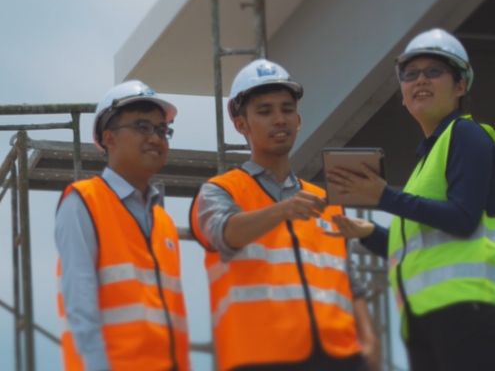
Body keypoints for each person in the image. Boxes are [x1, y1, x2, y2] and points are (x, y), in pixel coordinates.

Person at [189, 59, 379, 371]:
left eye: (287, 110)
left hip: (341, 357)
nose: (279, 119)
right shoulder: (220, 192)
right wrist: (283, 210)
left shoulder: (326, 201)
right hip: (261, 358)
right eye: (265, 111)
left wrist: (370, 341)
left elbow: (348, 278)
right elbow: (224, 233)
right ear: (241, 125)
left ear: (298, 120)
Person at [328, 29, 495, 371]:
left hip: (468, 310)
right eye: (410, 74)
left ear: (460, 86)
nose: (420, 79)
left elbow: (463, 219)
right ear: (403, 96)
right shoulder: (426, 162)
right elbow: (422, 247)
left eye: (434, 71)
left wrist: (384, 197)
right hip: (424, 320)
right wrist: (369, 233)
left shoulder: (467, 134)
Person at [55, 80, 190, 371]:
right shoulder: (84, 202)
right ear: (110, 139)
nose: (156, 138)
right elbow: (80, 307)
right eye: (143, 127)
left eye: (162, 130)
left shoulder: (163, 222)